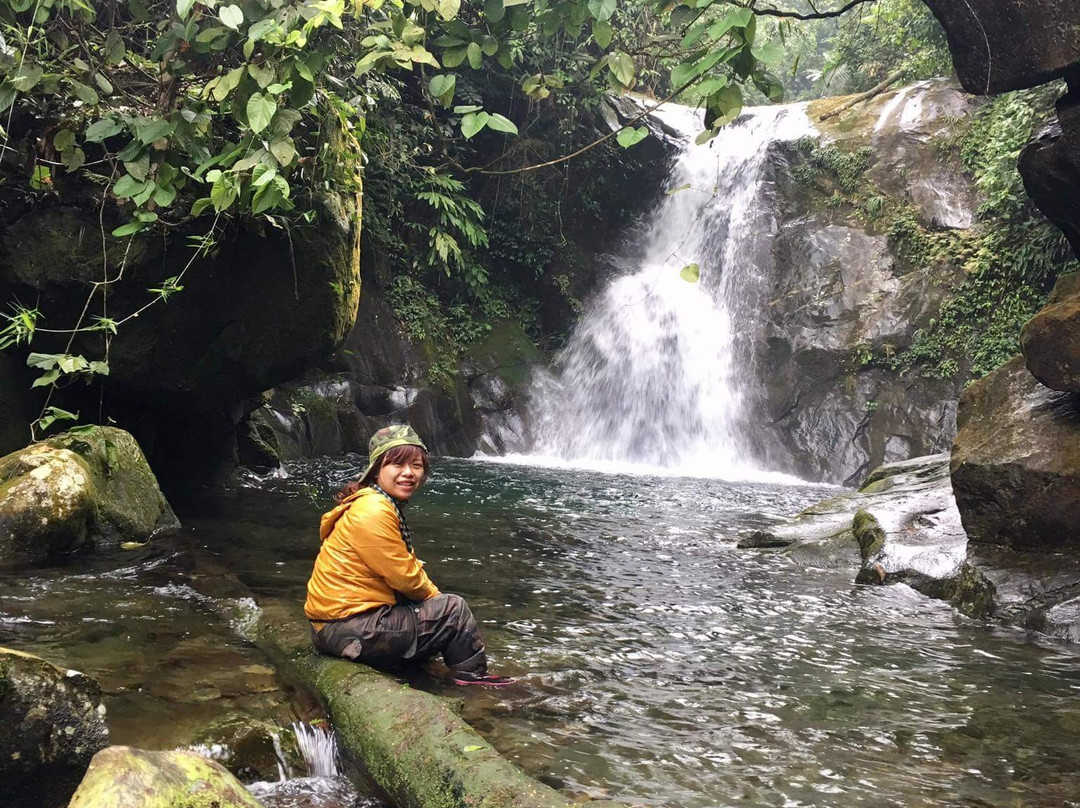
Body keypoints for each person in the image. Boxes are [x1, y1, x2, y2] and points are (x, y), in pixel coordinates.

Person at [304, 424, 512, 686]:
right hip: (347, 631)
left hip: (334, 627)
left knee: (431, 610)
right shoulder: (373, 510)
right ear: (377, 469)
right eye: (398, 464)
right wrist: (442, 606)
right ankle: (473, 682)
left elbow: (401, 573)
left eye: (416, 466)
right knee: (453, 611)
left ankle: (430, 669)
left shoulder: (373, 502)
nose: (408, 473)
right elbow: (406, 580)